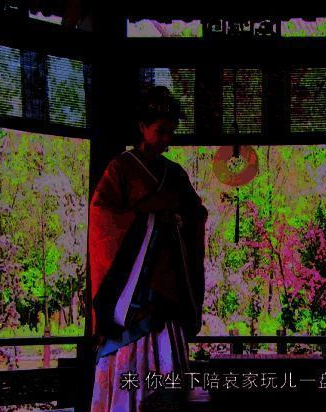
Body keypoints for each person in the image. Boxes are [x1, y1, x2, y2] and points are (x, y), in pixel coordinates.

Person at [88, 86, 208, 411]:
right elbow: (102, 217)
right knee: (131, 372)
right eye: (160, 131)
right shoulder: (121, 168)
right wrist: (148, 219)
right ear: (142, 127)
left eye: (171, 132)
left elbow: (196, 215)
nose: (166, 139)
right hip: (131, 294)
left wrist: (179, 220)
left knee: (170, 377)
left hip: (168, 287)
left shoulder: (175, 174)